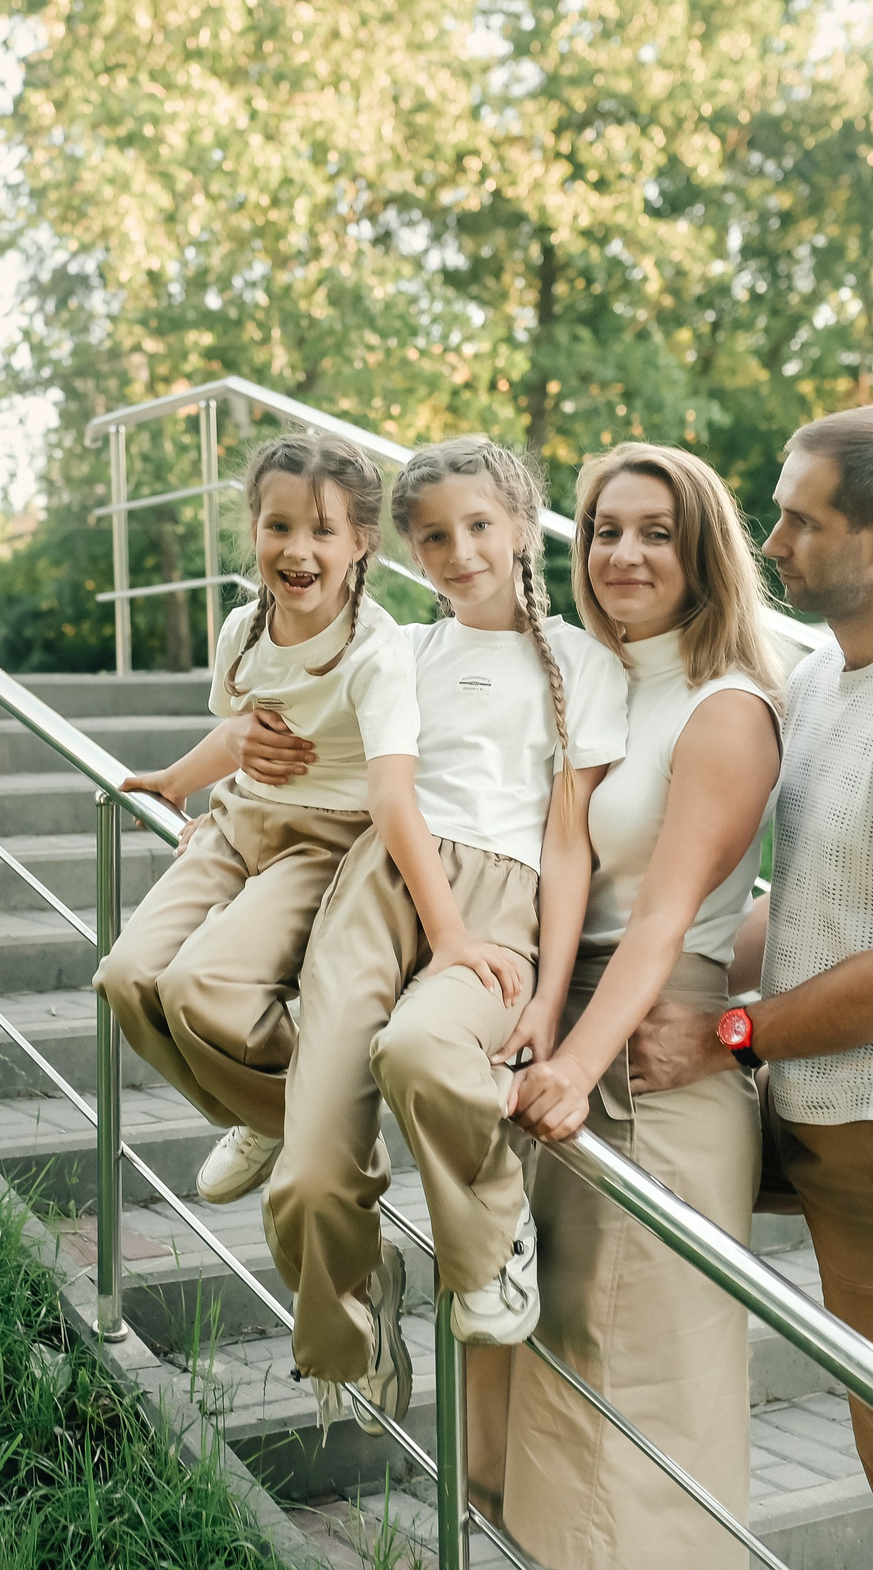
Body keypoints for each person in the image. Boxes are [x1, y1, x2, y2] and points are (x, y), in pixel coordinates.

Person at [629, 403, 873, 1570]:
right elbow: (804, 909)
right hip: (820, 1107)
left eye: (801, 522)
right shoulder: (821, 682)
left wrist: (726, 1034)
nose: (771, 542)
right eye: (773, 515)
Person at [248, 439, 630, 1433]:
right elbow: (362, 786)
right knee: (309, 1161)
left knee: (419, 1049)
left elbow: (568, 839)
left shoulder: (581, 665)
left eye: (477, 527)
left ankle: (491, 1235)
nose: (458, 551)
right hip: (382, 885)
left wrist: (544, 998)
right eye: (433, 537)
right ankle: (352, 1319)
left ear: (519, 527)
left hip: (501, 903)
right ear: (410, 552)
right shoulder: (402, 652)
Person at [487, 442, 785, 1566]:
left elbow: (664, 920)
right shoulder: (591, 684)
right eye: (605, 527)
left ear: (702, 551)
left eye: (656, 531)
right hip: (559, 1038)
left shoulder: (726, 706)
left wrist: (571, 1063)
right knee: (556, 1381)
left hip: (643, 1069)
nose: (622, 552)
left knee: (642, 1403)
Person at [95, 430, 427, 1206]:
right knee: (125, 977)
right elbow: (244, 727)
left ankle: (307, 1114)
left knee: (197, 988)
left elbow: (392, 789)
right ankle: (275, 1108)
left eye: (322, 529)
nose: (297, 548)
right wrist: (178, 779)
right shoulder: (243, 628)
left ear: (361, 542)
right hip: (236, 821)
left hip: (321, 843)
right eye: (279, 526)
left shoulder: (375, 654)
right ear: (254, 529)